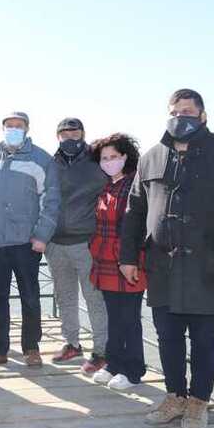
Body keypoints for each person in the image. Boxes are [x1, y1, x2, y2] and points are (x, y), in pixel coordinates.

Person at [120, 89, 214, 428]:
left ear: (202, 116)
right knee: (167, 336)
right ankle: (174, 396)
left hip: (208, 266)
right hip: (162, 266)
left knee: (204, 339)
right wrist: (128, 257)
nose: (180, 116)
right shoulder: (152, 157)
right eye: (174, 111)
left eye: (187, 111)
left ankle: (199, 402)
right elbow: (135, 210)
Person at [0, 111, 60, 367]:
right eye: (9, 126)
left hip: (26, 241)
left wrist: (42, 236)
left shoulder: (42, 160)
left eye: (18, 126)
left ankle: (31, 348)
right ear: (3, 129)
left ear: (27, 128)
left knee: (30, 296)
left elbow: (51, 201)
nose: (13, 129)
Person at [45, 117, 109, 375]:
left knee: (95, 298)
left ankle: (101, 351)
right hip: (55, 242)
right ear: (57, 135)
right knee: (65, 296)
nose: (70, 137)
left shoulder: (98, 162)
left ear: (83, 134)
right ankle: (71, 343)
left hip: (86, 242)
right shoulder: (49, 163)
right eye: (65, 133)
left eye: (75, 133)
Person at [87, 133, 146, 390]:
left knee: (129, 318)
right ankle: (113, 364)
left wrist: (127, 257)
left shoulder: (136, 185)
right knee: (113, 316)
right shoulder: (108, 185)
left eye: (114, 156)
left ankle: (133, 371)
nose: (109, 161)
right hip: (105, 259)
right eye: (104, 158)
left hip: (127, 259)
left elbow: (136, 227)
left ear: (126, 157)